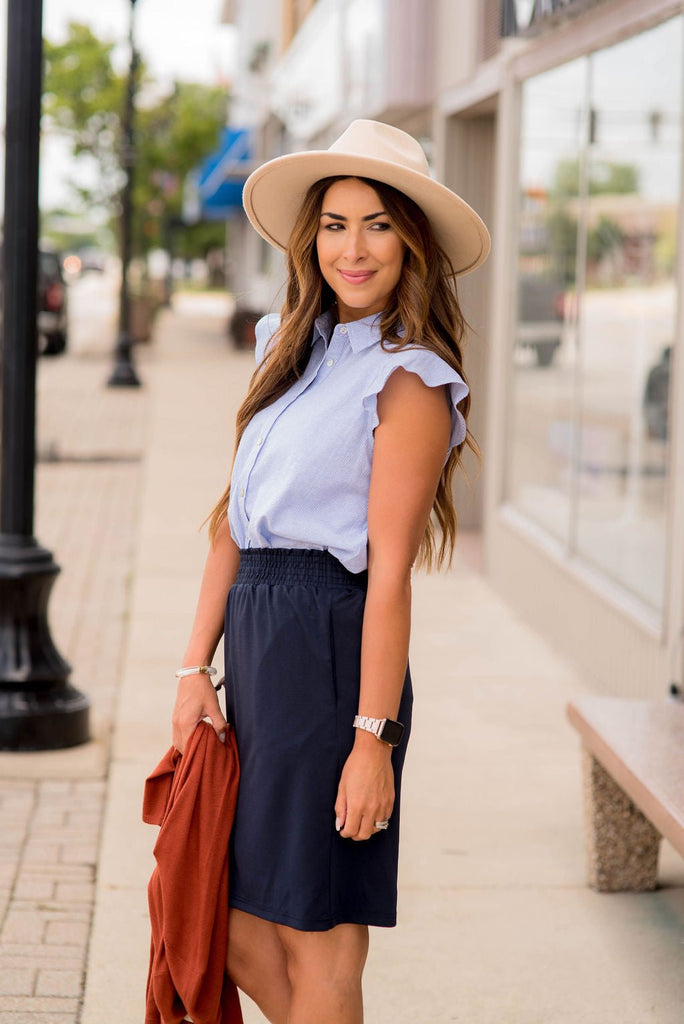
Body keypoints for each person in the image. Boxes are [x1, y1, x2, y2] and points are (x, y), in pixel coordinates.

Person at [171, 119, 490, 1024]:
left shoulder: (410, 380)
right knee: (221, 915)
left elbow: (390, 575)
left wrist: (371, 741)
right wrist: (195, 667)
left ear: (412, 243)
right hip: (261, 653)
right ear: (312, 235)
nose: (355, 247)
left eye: (380, 224)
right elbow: (231, 522)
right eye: (337, 223)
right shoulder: (288, 346)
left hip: (332, 655)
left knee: (320, 941)